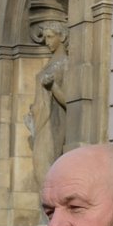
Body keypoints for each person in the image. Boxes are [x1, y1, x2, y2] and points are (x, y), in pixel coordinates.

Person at [24, 21, 68, 187]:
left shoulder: (65, 62)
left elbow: (69, 100)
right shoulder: (51, 62)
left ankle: (50, 212)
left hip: (53, 126)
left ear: (62, 36)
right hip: (41, 123)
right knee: (40, 173)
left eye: (50, 37)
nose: (47, 42)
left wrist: (53, 87)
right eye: (45, 38)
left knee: (46, 174)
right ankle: (47, 212)